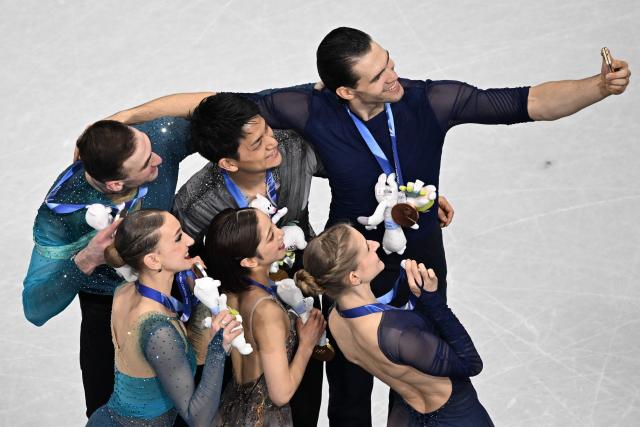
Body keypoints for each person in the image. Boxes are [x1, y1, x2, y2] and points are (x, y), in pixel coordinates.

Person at [103, 26, 630, 425]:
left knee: (421, 376)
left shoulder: (428, 101)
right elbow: (210, 106)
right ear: (344, 92)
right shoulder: (307, 112)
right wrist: (128, 117)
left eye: (389, 63)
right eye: (378, 76)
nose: (393, 76)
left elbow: (523, 102)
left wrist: (599, 87)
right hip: (342, 267)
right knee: (350, 388)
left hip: (420, 262)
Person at [173, 92, 327, 426]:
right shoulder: (196, 202)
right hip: (242, 302)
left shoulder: (295, 149)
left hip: (300, 284)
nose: (273, 142)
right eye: (257, 143)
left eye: (267, 130)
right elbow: (181, 260)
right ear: (228, 162)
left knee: (306, 397)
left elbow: (353, 166)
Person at [22, 117, 194, 417]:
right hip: (108, 310)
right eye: (146, 163)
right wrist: (88, 258)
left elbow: (223, 112)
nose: (159, 159)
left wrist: (128, 114)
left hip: (172, 282)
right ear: (116, 184)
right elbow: (34, 307)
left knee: (192, 403)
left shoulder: (156, 140)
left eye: (150, 148)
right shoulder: (61, 213)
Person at [295, 223, 493, 426]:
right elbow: (471, 363)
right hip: (456, 417)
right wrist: (432, 300)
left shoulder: (336, 321)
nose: (374, 243)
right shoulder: (395, 332)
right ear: (354, 277)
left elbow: (376, 311)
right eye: (366, 247)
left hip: (405, 416)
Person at [86, 209, 240, 426]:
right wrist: (218, 349)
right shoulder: (158, 329)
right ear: (153, 260)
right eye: (178, 238)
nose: (190, 240)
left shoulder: (125, 291)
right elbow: (198, 418)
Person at [202, 207, 326, 426]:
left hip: (230, 409)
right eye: (270, 235)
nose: (281, 233)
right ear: (249, 261)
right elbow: (281, 394)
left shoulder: (231, 292)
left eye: (274, 225)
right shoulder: (267, 312)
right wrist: (307, 344)